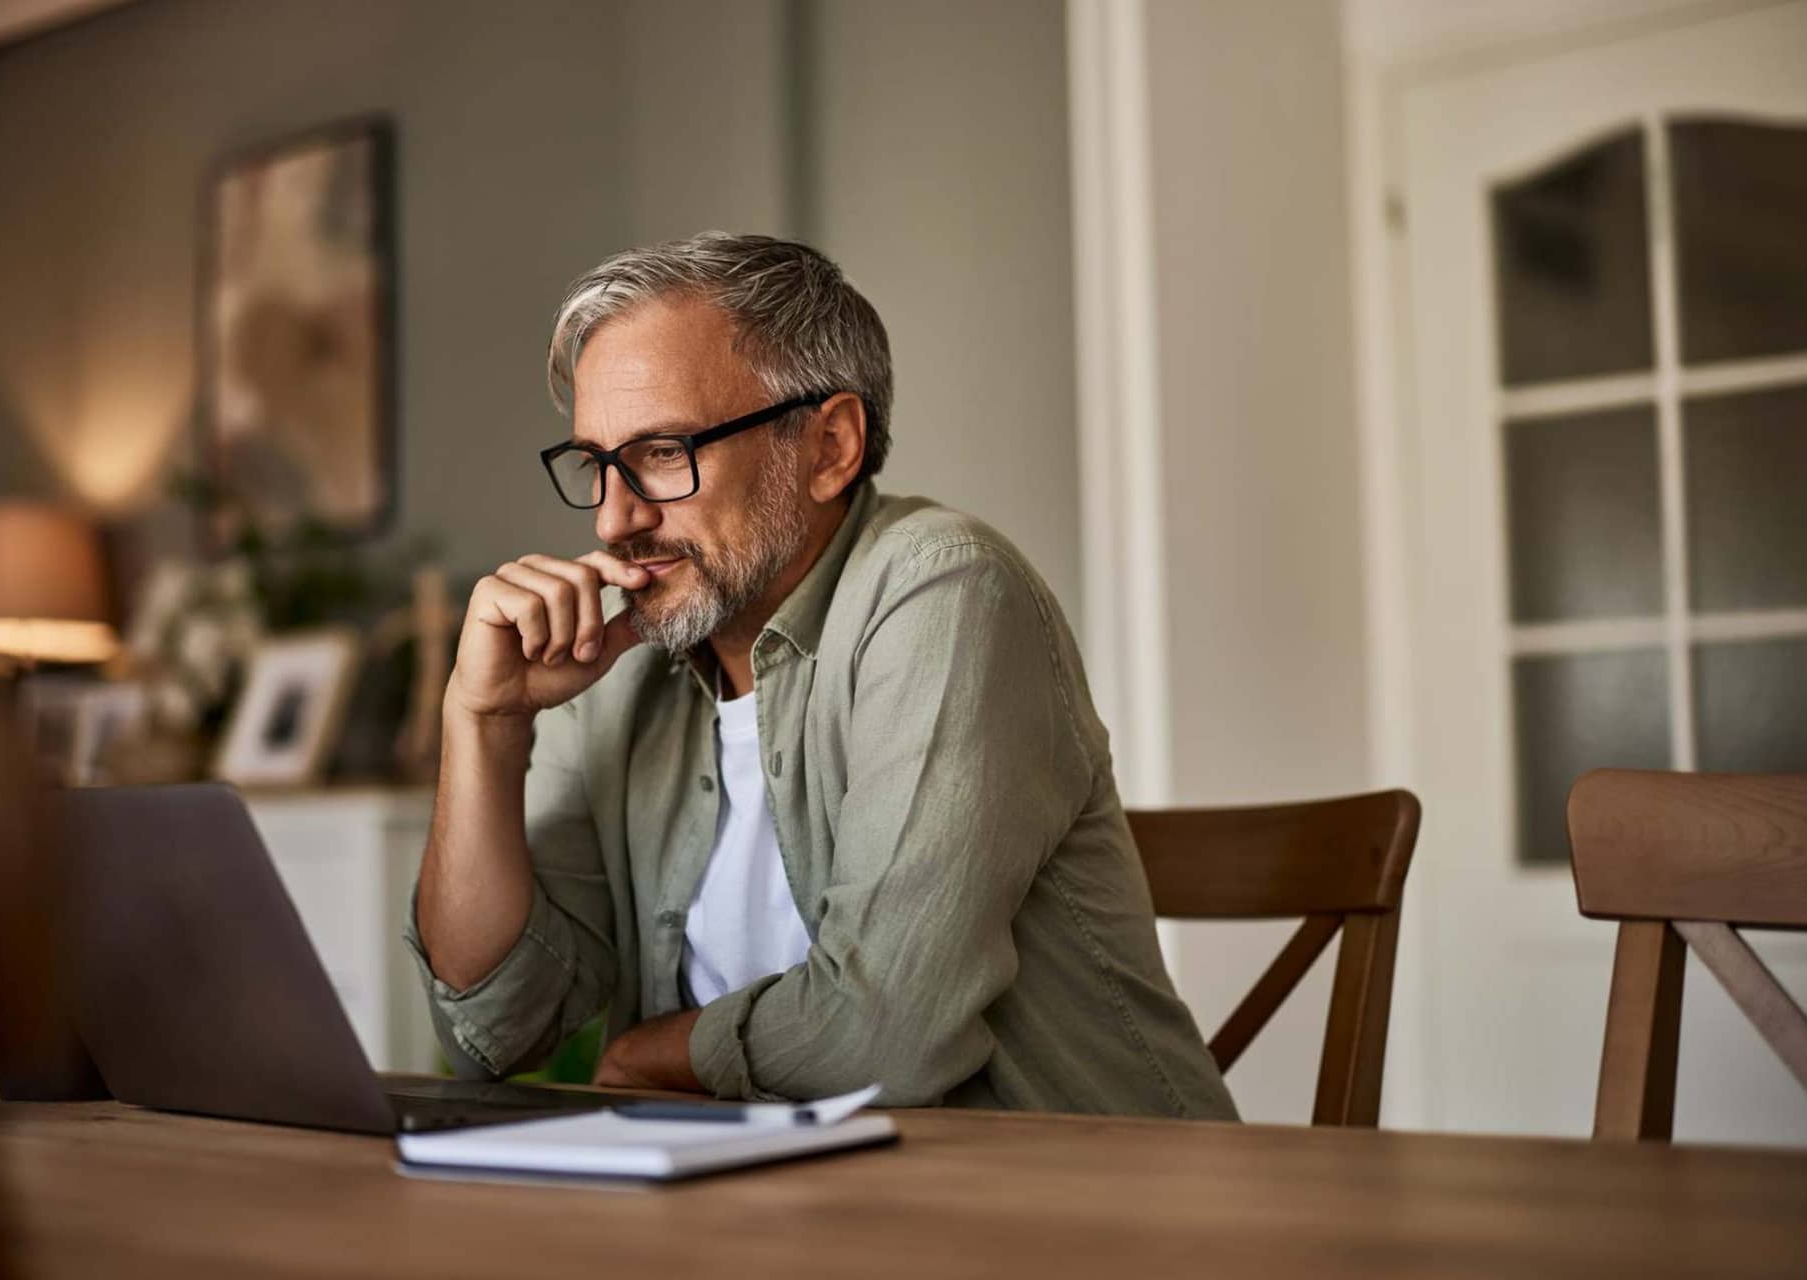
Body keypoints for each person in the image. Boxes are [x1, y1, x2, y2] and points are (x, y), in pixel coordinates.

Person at [407, 233, 1236, 1117]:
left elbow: (886, 1036)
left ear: (830, 446)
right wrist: (483, 721)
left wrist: (660, 1053)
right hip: (765, 1210)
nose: (615, 519)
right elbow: (491, 1029)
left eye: (662, 453)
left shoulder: (943, 588)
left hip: (1074, 1214)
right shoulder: (618, 659)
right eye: (596, 465)